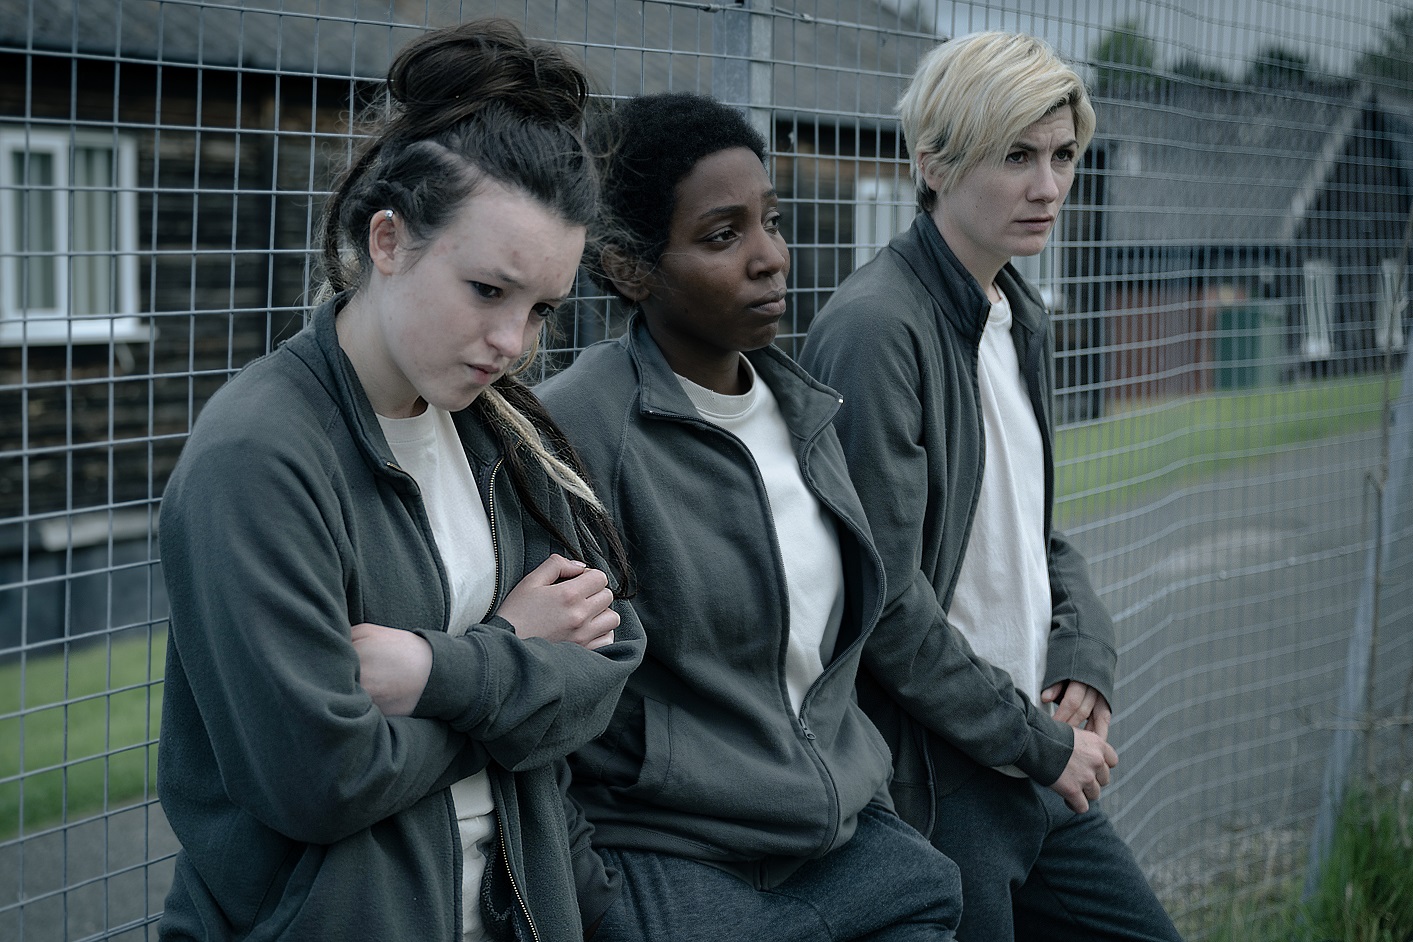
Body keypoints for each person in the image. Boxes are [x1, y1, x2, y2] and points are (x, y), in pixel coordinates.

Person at [155, 20, 645, 942]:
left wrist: (438, 669)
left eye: (541, 308)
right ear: (388, 241)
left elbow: (610, 662)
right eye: (487, 291)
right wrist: (517, 659)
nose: (515, 344)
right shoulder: (255, 460)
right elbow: (321, 779)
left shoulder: (505, 434)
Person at [537, 92, 961, 942]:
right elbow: (544, 702)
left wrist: (861, 799)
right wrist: (599, 900)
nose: (769, 257)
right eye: (723, 236)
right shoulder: (574, 430)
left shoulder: (801, 408)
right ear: (628, 268)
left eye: (770, 220)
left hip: (851, 848)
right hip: (675, 864)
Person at [799, 31, 1181, 942]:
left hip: (1030, 754)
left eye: (1060, 156)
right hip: (942, 781)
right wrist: (1042, 744)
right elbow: (885, 599)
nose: (1047, 187)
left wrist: (1084, 646)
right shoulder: (873, 329)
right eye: (1016, 156)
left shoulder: (1016, 311)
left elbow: (1028, 528)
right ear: (932, 162)